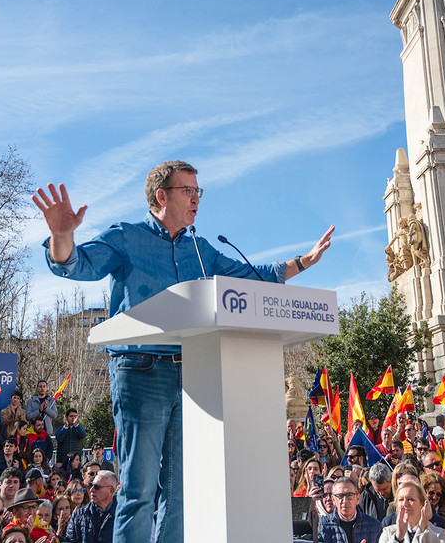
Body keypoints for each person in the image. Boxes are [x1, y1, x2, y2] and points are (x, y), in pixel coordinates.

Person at [33, 161, 334, 543]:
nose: (197, 199)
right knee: (139, 492)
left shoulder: (200, 247)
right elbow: (77, 265)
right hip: (139, 370)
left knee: (180, 492)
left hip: (191, 372)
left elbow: (251, 276)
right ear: (162, 196)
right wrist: (62, 237)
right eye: (188, 191)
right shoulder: (126, 236)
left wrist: (303, 262)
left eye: (198, 192)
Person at [378, 478, 445, 542]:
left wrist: (423, 531)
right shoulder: (388, 532)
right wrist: (398, 537)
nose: (405, 504)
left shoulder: (440, 534)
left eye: (410, 499)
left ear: (423, 504)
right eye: (401, 499)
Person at [318, 477, 383, 543]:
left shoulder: (374, 525)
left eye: (349, 495)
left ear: (358, 498)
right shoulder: (322, 525)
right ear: (333, 500)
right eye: (340, 496)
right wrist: (308, 501)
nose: (345, 501)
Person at [66, 470, 116, 543]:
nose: (91, 490)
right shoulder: (79, 515)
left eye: (97, 487)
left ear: (111, 490)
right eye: (91, 485)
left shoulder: (123, 515)